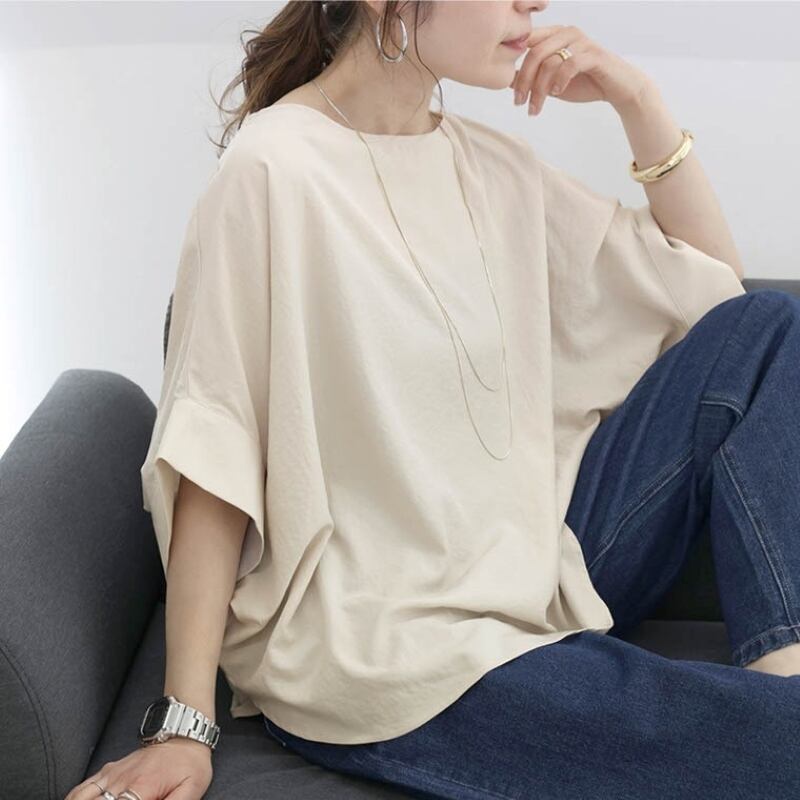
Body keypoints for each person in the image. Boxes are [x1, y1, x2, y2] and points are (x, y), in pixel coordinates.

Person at [67, 1, 800, 799]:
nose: (533, 4)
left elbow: (718, 301)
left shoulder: (494, 167)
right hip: (390, 644)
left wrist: (639, 103)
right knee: (774, 743)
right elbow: (217, 454)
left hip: (531, 560)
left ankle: (785, 668)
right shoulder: (272, 171)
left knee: (770, 324)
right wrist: (183, 725)